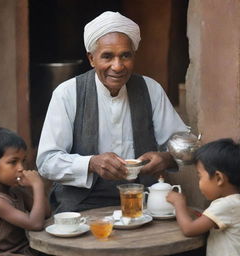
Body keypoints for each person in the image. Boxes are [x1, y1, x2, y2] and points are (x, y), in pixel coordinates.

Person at [36, 11, 188, 213]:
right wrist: (91, 163)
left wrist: (166, 158)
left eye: (125, 55)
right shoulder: (67, 93)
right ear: (91, 59)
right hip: (82, 201)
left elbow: (181, 145)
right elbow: (47, 162)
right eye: (107, 56)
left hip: (142, 198)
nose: (117, 66)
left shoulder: (150, 89)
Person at [167, 138, 240, 256]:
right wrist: (188, 210)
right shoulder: (234, 202)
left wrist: (179, 203)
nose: (199, 182)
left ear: (219, 178)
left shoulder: (227, 205)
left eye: (200, 176)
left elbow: (189, 229)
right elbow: (206, 218)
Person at [0, 127, 50, 256]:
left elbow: (46, 213)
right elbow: (35, 224)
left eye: (23, 161)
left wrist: (31, 187)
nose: (21, 168)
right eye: (13, 162)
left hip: (24, 250)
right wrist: (38, 186)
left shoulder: (16, 190)